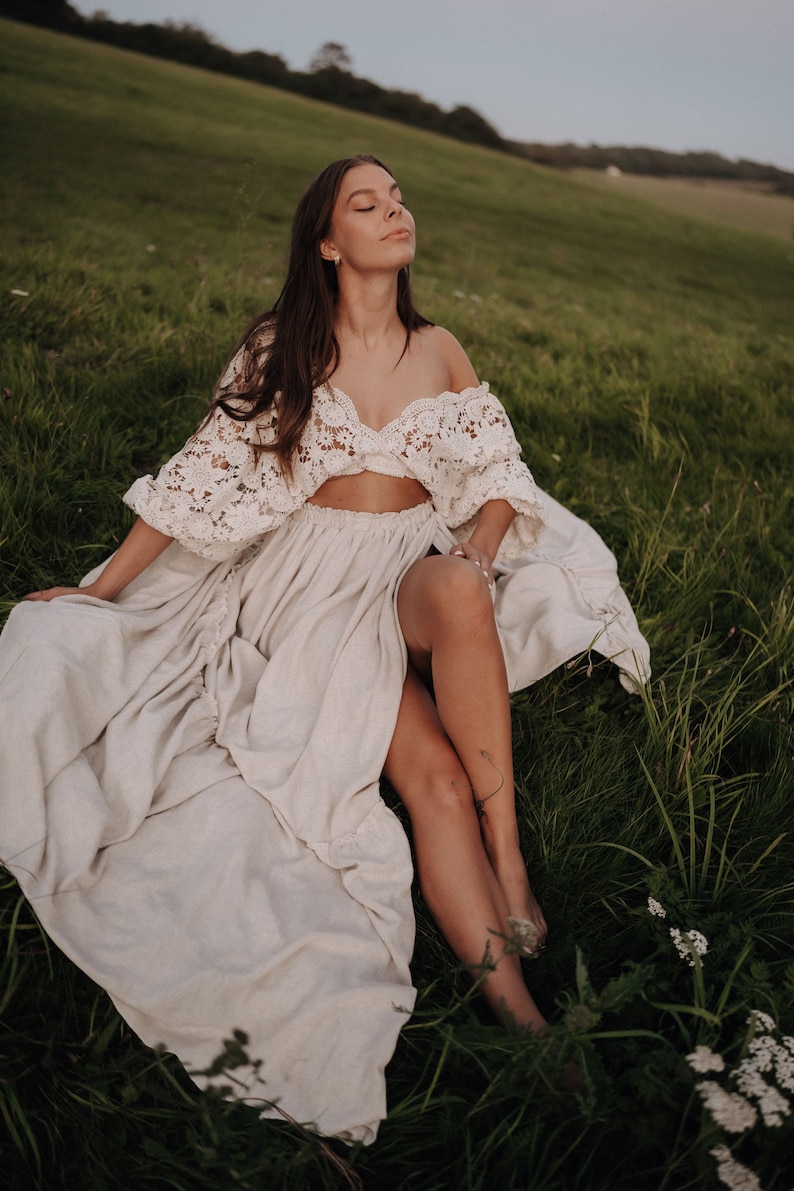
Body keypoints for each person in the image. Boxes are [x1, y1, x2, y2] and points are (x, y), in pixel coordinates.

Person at [0, 155, 649, 1143]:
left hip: (404, 576)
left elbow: (497, 473)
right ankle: (524, 1021)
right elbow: (198, 476)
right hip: (304, 593)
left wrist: (474, 548)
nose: (394, 211)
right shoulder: (283, 345)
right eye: (366, 202)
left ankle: (509, 861)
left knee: (464, 595)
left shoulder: (440, 349)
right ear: (326, 242)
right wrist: (97, 592)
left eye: (397, 198)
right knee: (427, 780)